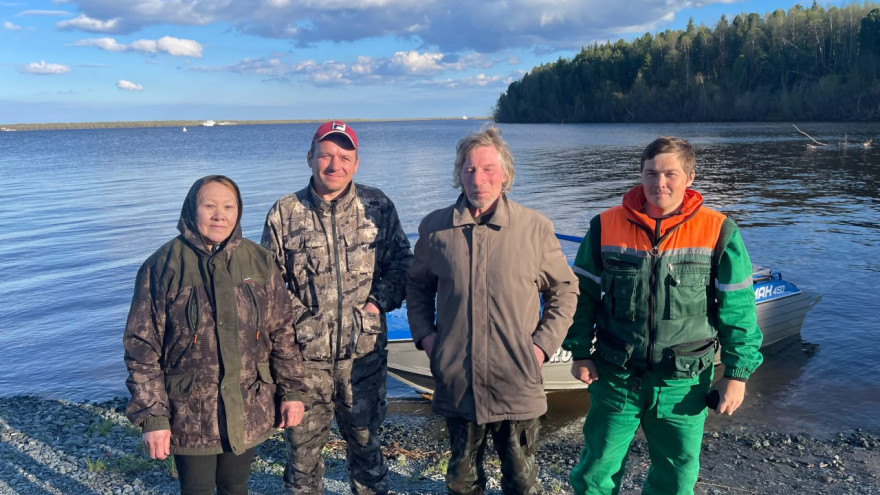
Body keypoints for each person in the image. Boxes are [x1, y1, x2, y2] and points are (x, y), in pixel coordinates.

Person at [563, 136, 764, 495]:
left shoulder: (719, 231)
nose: (660, 183)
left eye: (670, 173)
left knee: (675, 476)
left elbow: (738, 310)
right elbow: (582, 296)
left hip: (683, 382)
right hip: (616, 376)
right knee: (596, 472)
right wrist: (579, 351)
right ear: (640, 175)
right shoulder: (604, 226)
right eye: (651, 173)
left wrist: (737, 374)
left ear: (689, 177)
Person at [406, 125, 579, 495]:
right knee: (462, 481)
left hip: (516, 382)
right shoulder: (436, 229)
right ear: (459, 174)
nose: (478, 179)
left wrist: (541, 346)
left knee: (520, 480)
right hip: (457, 382)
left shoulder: (534, 227)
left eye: (488, 169)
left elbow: (565, 290)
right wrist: (426, 337)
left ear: (505, 175)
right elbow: (417, 286)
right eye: (469, 170)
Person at [123, 175, 307, 495]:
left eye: (228, 206)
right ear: (192, 210)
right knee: (197, 489)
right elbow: (142, 347)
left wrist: (292, 391)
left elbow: (282, 332)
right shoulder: (162, 266)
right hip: (189, 412)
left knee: (235, 486)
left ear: (238, 212)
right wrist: (153, 418)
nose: (219, 214)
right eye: (209, 205)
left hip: (248, 403)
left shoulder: (260, 261)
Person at [261, 121, 412, 495]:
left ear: (356, 163)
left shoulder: (377, 206)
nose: (334, 165)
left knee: (367, 450)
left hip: (364, 358)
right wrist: (304, 323)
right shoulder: (285, 212)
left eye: (344, 157)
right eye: (326, 155)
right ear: (310, 158)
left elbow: (403, 264)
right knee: (302, 460)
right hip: (303, 364)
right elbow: (267, 286)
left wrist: (378, 302)